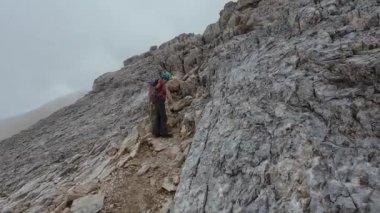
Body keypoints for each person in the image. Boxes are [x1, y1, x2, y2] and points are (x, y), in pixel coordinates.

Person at [149, 70, 173, 137]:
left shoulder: (160, 81)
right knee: (163, 117)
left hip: (156, 101)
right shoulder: (161, 81)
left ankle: (156, 133)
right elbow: (156, 88)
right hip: (159, 101)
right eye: (167, 79)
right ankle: (164, 133)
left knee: (158, 116)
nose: (167, 81)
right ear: (166, 78)